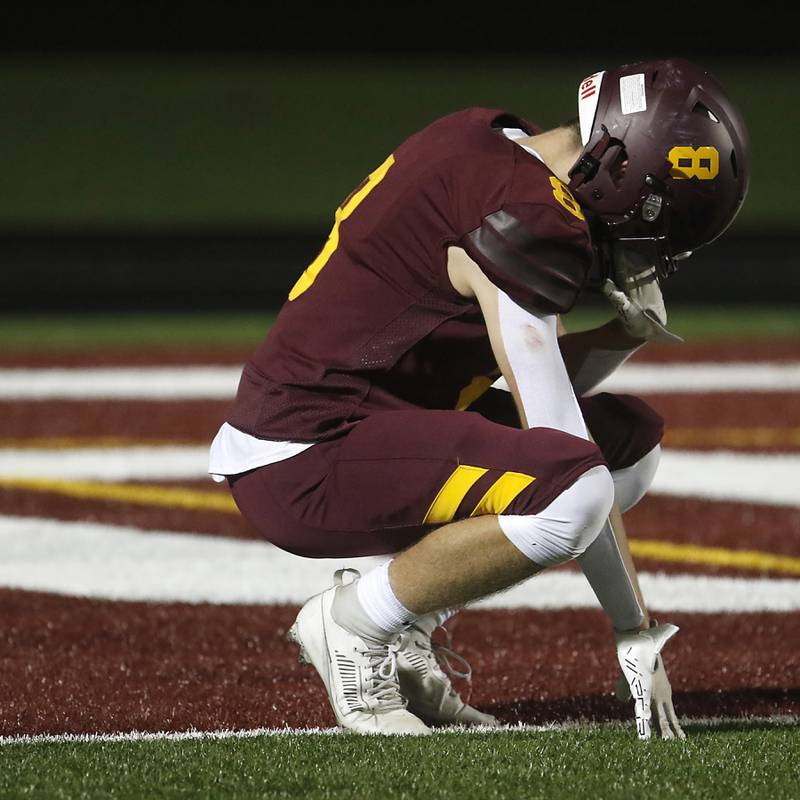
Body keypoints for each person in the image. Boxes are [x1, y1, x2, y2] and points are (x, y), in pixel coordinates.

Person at [209, 58, 749, 737]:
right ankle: (353, 624)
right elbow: (560, 448)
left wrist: (624, 333)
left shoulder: (497, 139)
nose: (646, 250)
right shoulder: (526, 217)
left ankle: (404, 619)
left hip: (368, 421)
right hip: (306, 454)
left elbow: (524, 381)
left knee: (628, 446)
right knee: (577, 487)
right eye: (653, 221)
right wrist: (631, 627)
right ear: (616, 166)